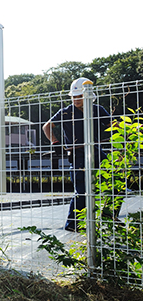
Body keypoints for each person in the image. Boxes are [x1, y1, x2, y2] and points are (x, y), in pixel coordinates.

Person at [42, 77, 111, 232]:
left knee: (114, 180)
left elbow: (113, 125)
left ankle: (108, 216)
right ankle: (73, 224)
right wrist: (55, 141)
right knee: (82, 191)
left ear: (88, 96)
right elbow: (46, 126)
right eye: (74, 96)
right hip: (77, 154)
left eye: (80, 96)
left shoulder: (97, 110)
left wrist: (129, 130)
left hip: (95, 151)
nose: (76, 99)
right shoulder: (66, 112)